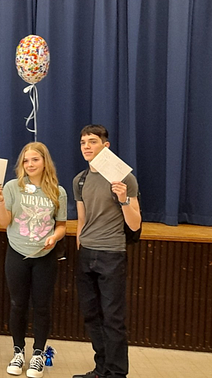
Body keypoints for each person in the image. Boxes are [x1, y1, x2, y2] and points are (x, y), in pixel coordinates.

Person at [0, 142, 67, 378]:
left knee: (42, 307)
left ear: (45, 161)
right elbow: (4, 222)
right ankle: (17, 352)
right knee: (18, 304)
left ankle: (37, 355)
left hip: (44, 257)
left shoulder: (58, 191)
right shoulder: (13, 187)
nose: (30, 164)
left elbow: (62, 225)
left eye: (35, 159)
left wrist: (54, 236)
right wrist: (0, 202)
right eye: (26, 160)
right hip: (17, 254)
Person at [71, 125, 141, 378]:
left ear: (105, 146)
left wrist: (123, 199)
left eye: (92, 141)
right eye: (82, 143)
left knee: (113, 319)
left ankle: (117, 373)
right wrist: (81, 245)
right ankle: (101, 369)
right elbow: (81, 220)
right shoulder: (79, 179)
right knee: (92, 316)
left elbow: (135, 223)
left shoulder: (125, 179)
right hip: (87, 254)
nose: (87, 146)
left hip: (112, 254)